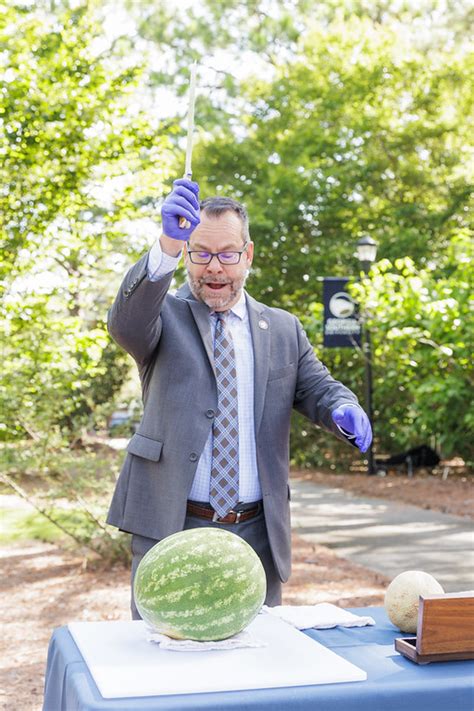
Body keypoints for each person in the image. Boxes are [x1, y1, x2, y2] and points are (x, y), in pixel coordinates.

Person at [106, 178, 372, 615]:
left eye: (227, 255)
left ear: (247, 255)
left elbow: (317, 386)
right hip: (174, 524)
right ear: (187, 255)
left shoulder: (283, 328)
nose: (215, 268)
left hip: (256, 533)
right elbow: (125, 324)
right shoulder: (162, 315)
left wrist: (343, 406)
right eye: (201, 254)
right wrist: (168, 244)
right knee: (164, 663)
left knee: (256, 669)